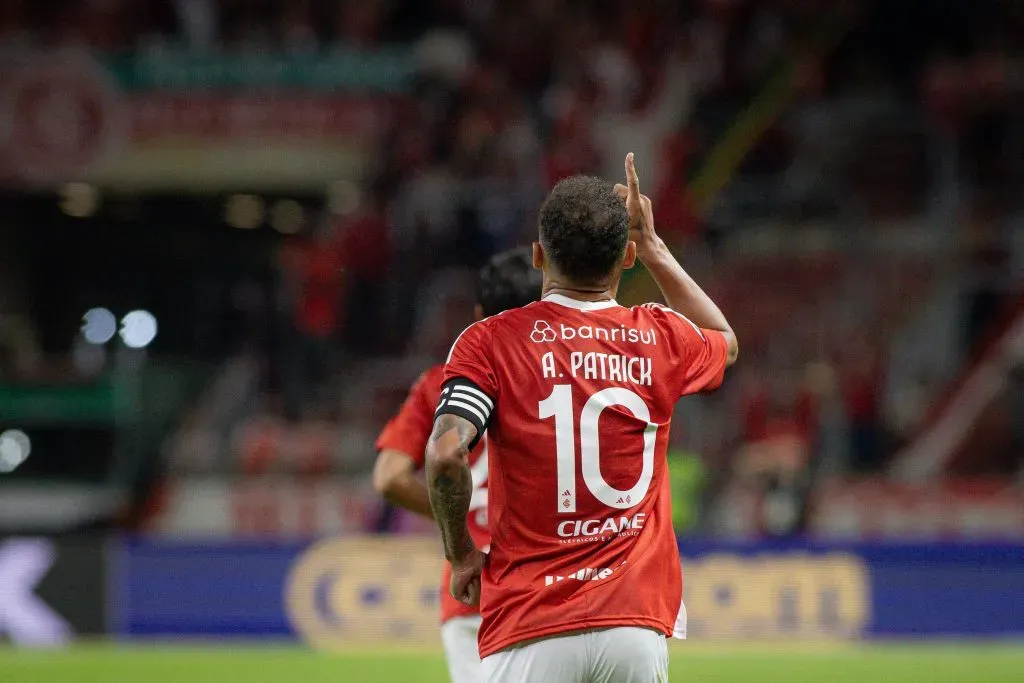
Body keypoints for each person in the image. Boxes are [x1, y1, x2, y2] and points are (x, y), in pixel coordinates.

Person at [426, 153, 738, 682]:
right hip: (633, 627)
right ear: (626, 257)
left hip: (530, 621)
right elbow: (725, 342)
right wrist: (656, 248)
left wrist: (460, 555)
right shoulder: (659, 335)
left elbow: (445, 453)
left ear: (538, 255)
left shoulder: (492, 342)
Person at [372, 247, 543, 683]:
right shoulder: (563, 380)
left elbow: (389, 477)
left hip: (471, 590)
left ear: (479, 314)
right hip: (544, 583)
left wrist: (460, 519)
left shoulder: (440, 384)